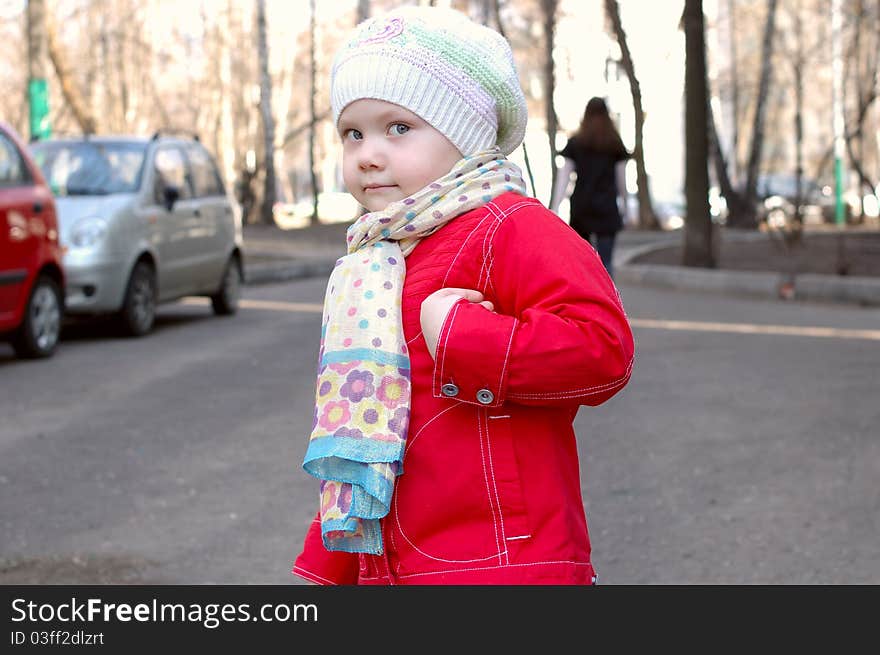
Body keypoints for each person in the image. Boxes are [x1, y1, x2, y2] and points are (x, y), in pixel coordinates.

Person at [292, 6, 634, 585]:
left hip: (505, 563)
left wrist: (464, 337)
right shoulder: (375, 261)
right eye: (354, 132)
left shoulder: (512, 227)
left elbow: (604, 351)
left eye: (398, 127)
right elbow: (369, 434)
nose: (368, 153)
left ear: (465, 134)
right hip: (395, 566)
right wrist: (333, 559)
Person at [550, 97, 631, 279]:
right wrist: (625, 207)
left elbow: (564, 179)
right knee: (606, 264)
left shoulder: (576, 143)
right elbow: (621, 181)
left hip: (581, 209)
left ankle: (585, 303)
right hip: (607, 209)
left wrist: (555, 207)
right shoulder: (615, 144)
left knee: (582, 263)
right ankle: (609, 304)